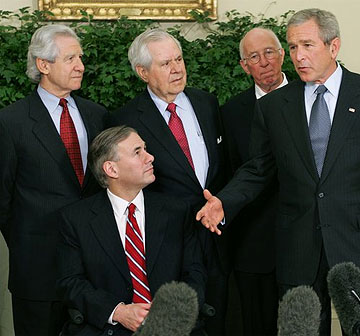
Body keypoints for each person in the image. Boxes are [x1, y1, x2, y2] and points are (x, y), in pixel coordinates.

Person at [196, 8, 360, 335]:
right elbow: (257, 169)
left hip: (357, 243)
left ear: (334, 46)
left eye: (307, 45)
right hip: (298, 248)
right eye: (292, 47)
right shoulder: (273, 106)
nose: (298, 56)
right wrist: (224, 202)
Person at [114, 29, 228, 335]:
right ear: (143, 72)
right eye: (166, 63)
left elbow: (223, 166)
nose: (177, 68)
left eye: (178, 59)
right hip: (167, 241)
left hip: (217, 233)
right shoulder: (126, 119)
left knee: (221, 315)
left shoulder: (207, 102)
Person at [0, 24, 109, 335]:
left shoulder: (98, 115)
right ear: (43, 65)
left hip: (95, 272)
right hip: (38, 271)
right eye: (71, 58)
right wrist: (29, 242)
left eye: (81, 57)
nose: (81, 66)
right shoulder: (10, 122)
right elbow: (2, 201)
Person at [56, 126, 206, 335]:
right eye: (138, 152)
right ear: (111, 169)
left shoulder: (177, 211)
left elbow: (195, 273)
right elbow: (71, 283)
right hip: (109, 329)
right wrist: (118, 312)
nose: (150, 157)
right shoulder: (75, 219)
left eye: (146, 149)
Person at [220, 27, 287, 335]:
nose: (264, 62)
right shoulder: (230, 112)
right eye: (254, 57)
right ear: (244, 66)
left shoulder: (311, 97)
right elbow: (232, 172)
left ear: (283, 54)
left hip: (304, 239)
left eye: (269, 52)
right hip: (252, 242)